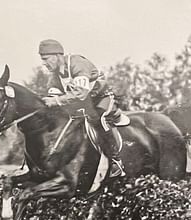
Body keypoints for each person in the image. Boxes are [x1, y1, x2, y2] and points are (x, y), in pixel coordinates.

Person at [38, 39, 129, 177]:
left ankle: (116, 161)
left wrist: (56, 100)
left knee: (99, 119)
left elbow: (80, 93)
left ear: (57, 56)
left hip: (100, 98)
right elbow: (52, 91)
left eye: (46, 59)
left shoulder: (77, 63)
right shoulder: (55, 73)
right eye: (42, 60)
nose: (44, 63)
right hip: (82, 103)